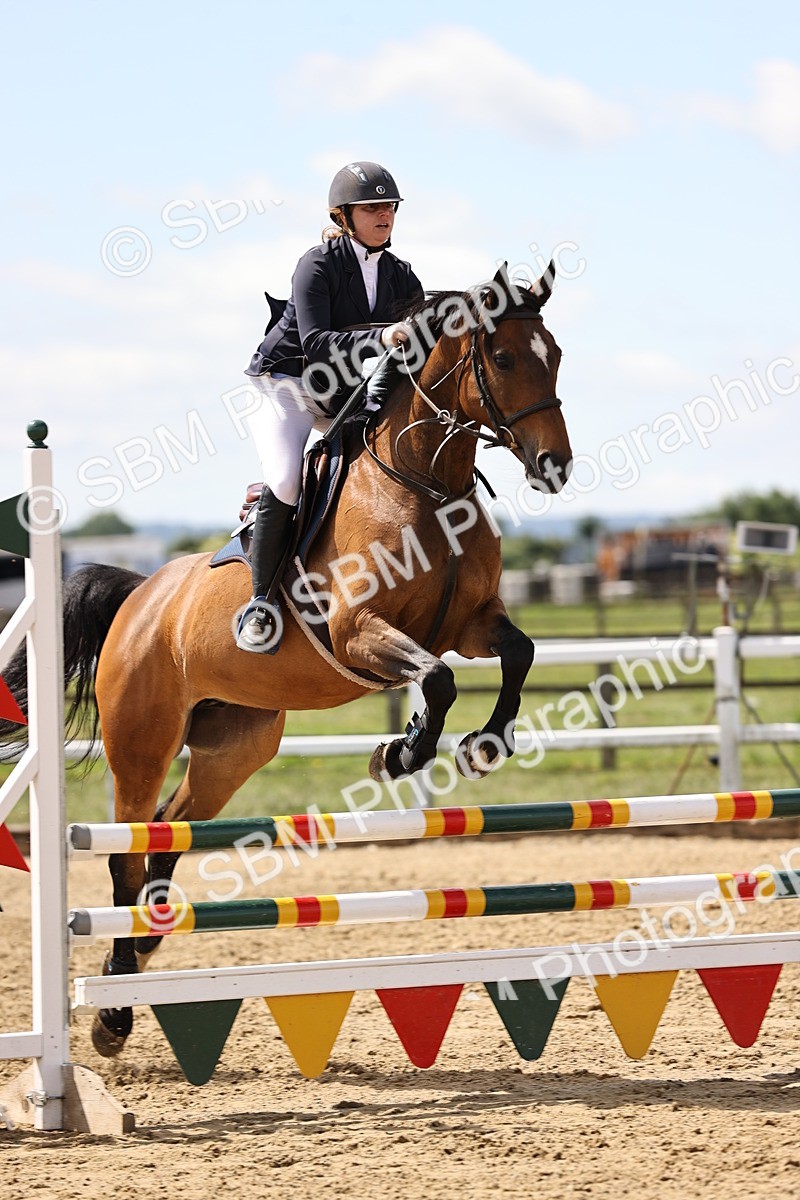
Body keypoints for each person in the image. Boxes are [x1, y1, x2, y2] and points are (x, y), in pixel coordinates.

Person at [236, 161, 423, 653]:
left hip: (344, 392)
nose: (384, 214)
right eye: (372, 207)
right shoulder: (316, 264)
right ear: (343, 216)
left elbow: (416, 352)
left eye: (389, 206)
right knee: (286, 480)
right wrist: (383, 336)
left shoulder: (402, 276)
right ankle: (261, 602)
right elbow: (316, 343)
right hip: (288, 384)